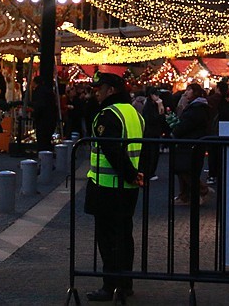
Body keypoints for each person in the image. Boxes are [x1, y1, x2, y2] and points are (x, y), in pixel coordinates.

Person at [84, 72, 144, 302]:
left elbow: (112, 151)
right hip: (129, 188)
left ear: (111, 91)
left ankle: (110, 285)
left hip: (107, 186)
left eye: (100, 88)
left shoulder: (107, 115)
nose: (96, 92)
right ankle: (125, 283)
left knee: (107, 239)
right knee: (124, 236)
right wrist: (140, 175)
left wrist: (129, 174)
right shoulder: (134, 114)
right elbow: (147, 147)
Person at [170, 83, 212, 205]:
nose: (186, 93)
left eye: (189, 90)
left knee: (184, 169)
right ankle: (186, 195)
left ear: (195, 92)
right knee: (185, 169)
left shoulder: (197, 108)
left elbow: (186, 124)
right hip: (191, 142)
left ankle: (201, 190)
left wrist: (176, 129)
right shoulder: (197, 106)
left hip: (190, 143)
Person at [31, 75, 59, 153]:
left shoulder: (38, 92)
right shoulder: (48, 92)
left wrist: (34, 114)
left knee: (42, 140)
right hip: (50, 118)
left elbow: (39, 106)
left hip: (43, 120)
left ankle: (43, 158)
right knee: (47, 140)